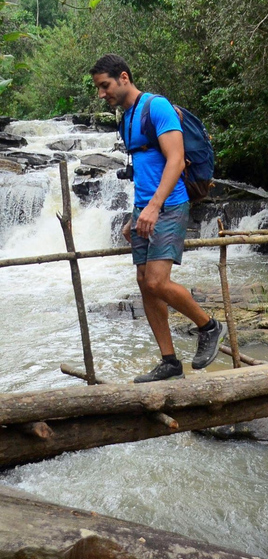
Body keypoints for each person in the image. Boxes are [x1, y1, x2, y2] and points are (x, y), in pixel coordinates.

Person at [90, 53, 227, 382]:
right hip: (145, 208)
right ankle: (169, 361)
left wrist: (153, 207)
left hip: (168, 204)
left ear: (124, 77)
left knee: (156, 281)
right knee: (144, 284)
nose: (101, 94)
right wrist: (135, 214)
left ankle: (209, 326)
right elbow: (145, 170)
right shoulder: (127, 117)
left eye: (105, 86)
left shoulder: (157, 107)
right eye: (98, 88)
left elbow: (176, 160)